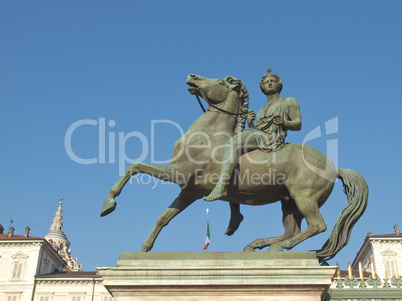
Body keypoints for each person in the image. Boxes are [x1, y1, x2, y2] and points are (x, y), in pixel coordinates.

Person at [205, 70, 302, 224]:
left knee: (232, 143)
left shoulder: (288, 101)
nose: (269, 83)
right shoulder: (262, 109)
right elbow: (260, 129)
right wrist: (252, 124)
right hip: (260, 135)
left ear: (279, 84)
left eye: (272, 80)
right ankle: (235, 212)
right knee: (236, 160)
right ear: (262, 87)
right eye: (265, 82)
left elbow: (298, 124)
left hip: (272, 137)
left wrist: (284, 123)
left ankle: (220, 187)